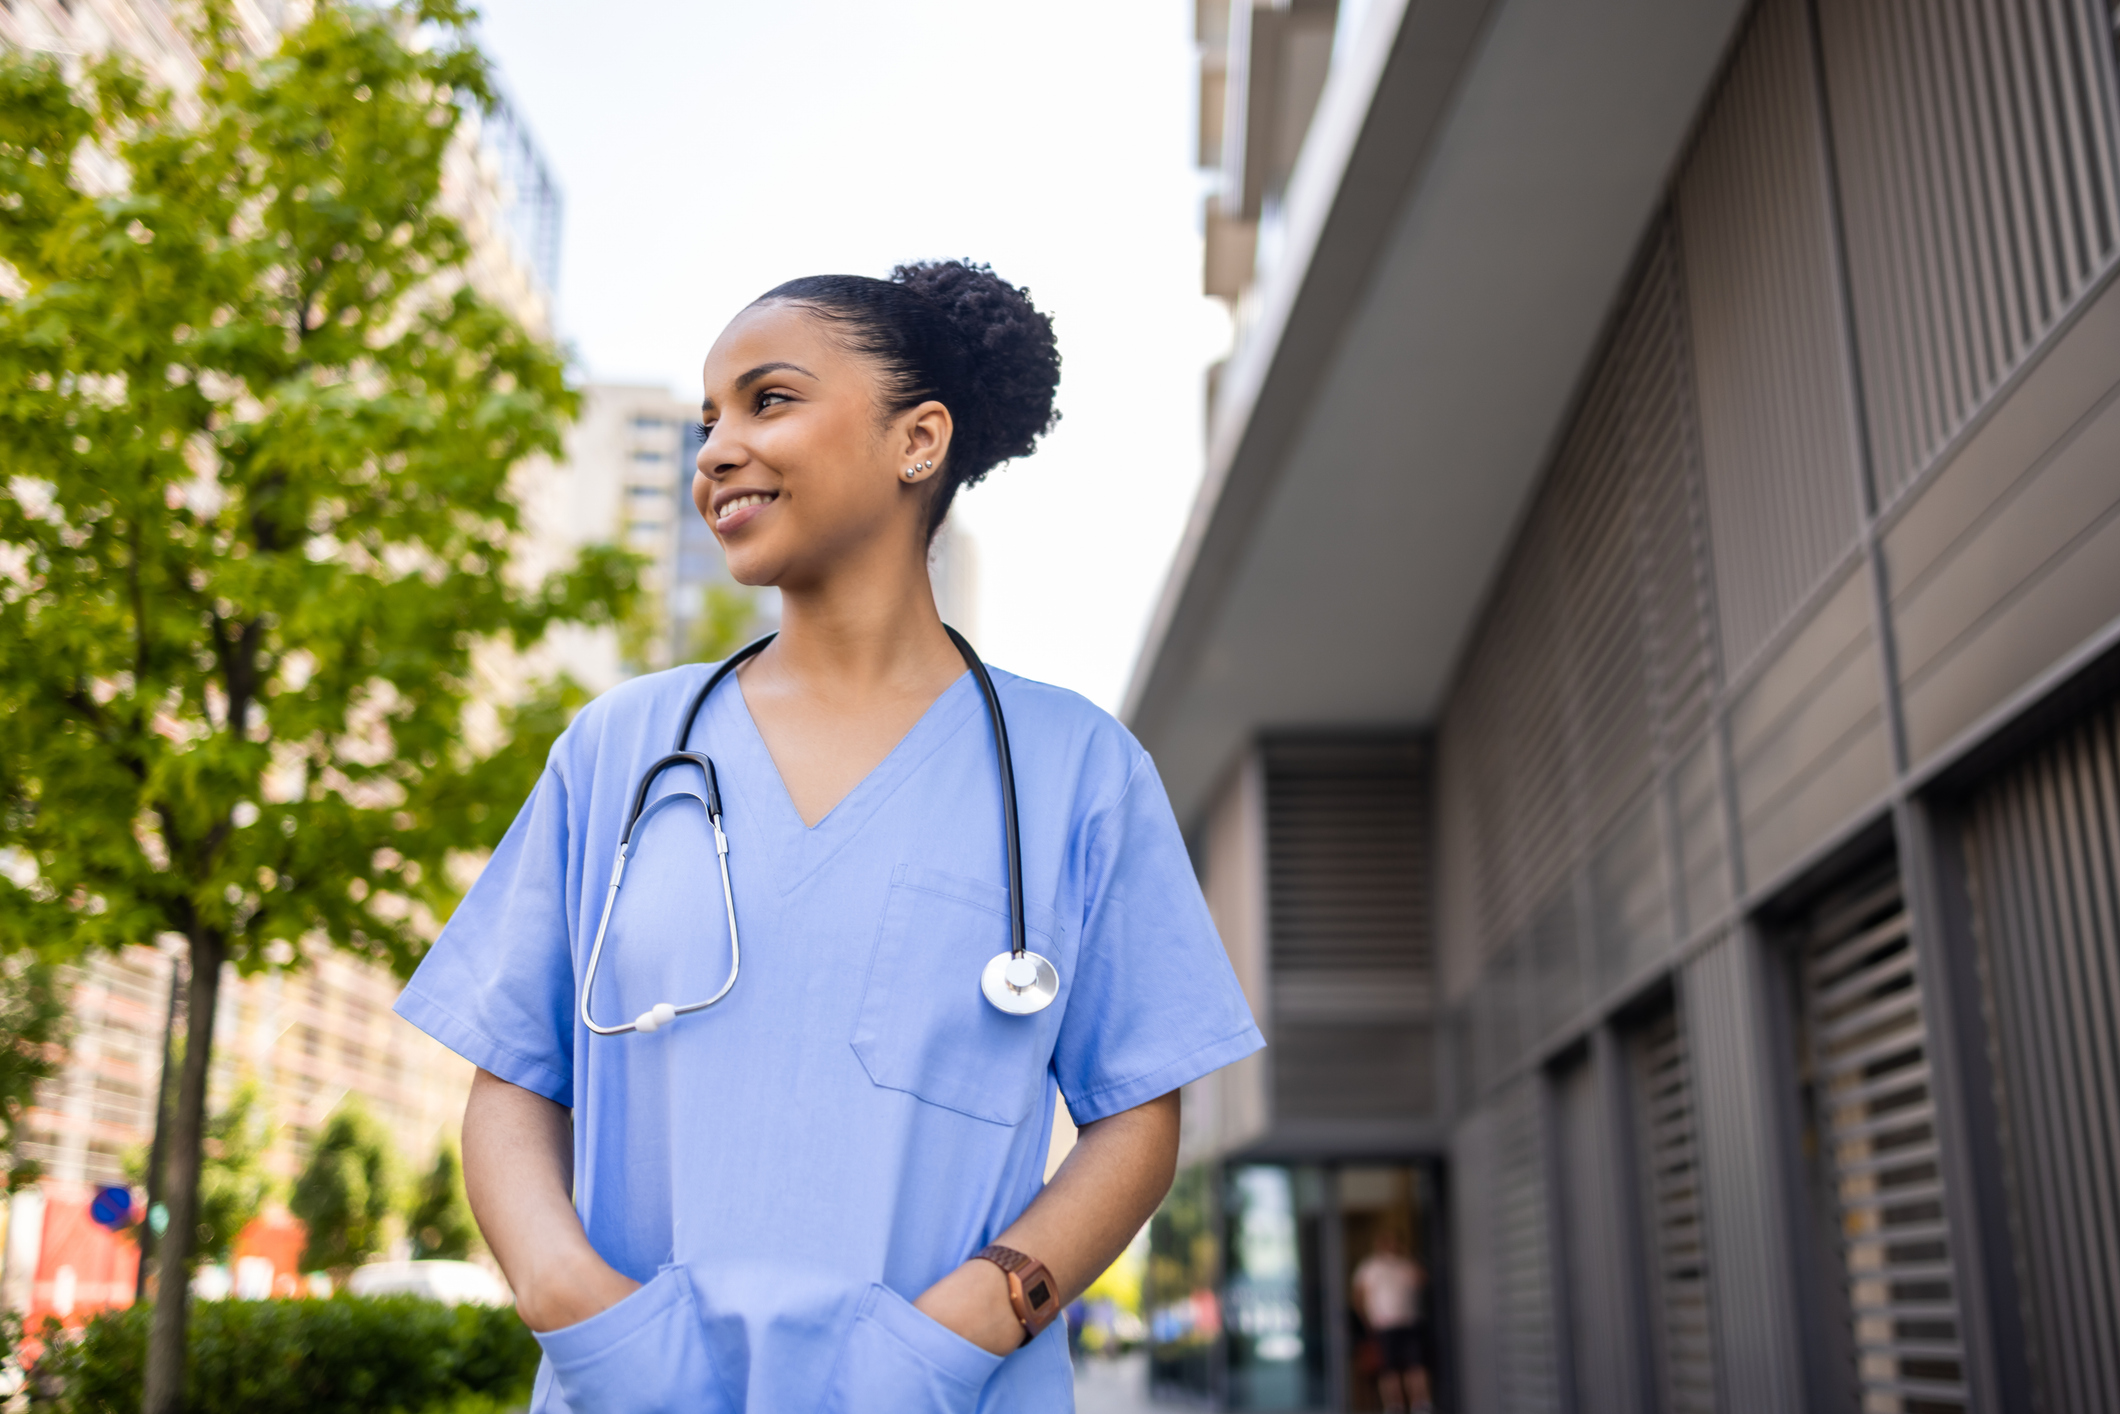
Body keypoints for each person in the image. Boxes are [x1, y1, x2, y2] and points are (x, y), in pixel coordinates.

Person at [394, 260, 1265, 1413]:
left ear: (919, 440)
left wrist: (961, 1328)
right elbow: (511, 1076)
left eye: (768, 400)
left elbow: (1136, 1116)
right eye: (708, 418)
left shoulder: (1076, 769)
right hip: (635, 1390)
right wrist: (576, 1307)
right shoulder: (622, 749)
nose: (715, 449)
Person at [1349, 1231, 1429, 1413]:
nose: (1391, 1246)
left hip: (1409, 1322)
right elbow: (1358, 1296)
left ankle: (1420, 1404)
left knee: (1415, 1366)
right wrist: (1366, 1321)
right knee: (1388, 1369)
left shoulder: (1406, 1264)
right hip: (1383, 1325)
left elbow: (1422, 1281)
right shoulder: (1370, 1267)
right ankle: (1394, 1406)